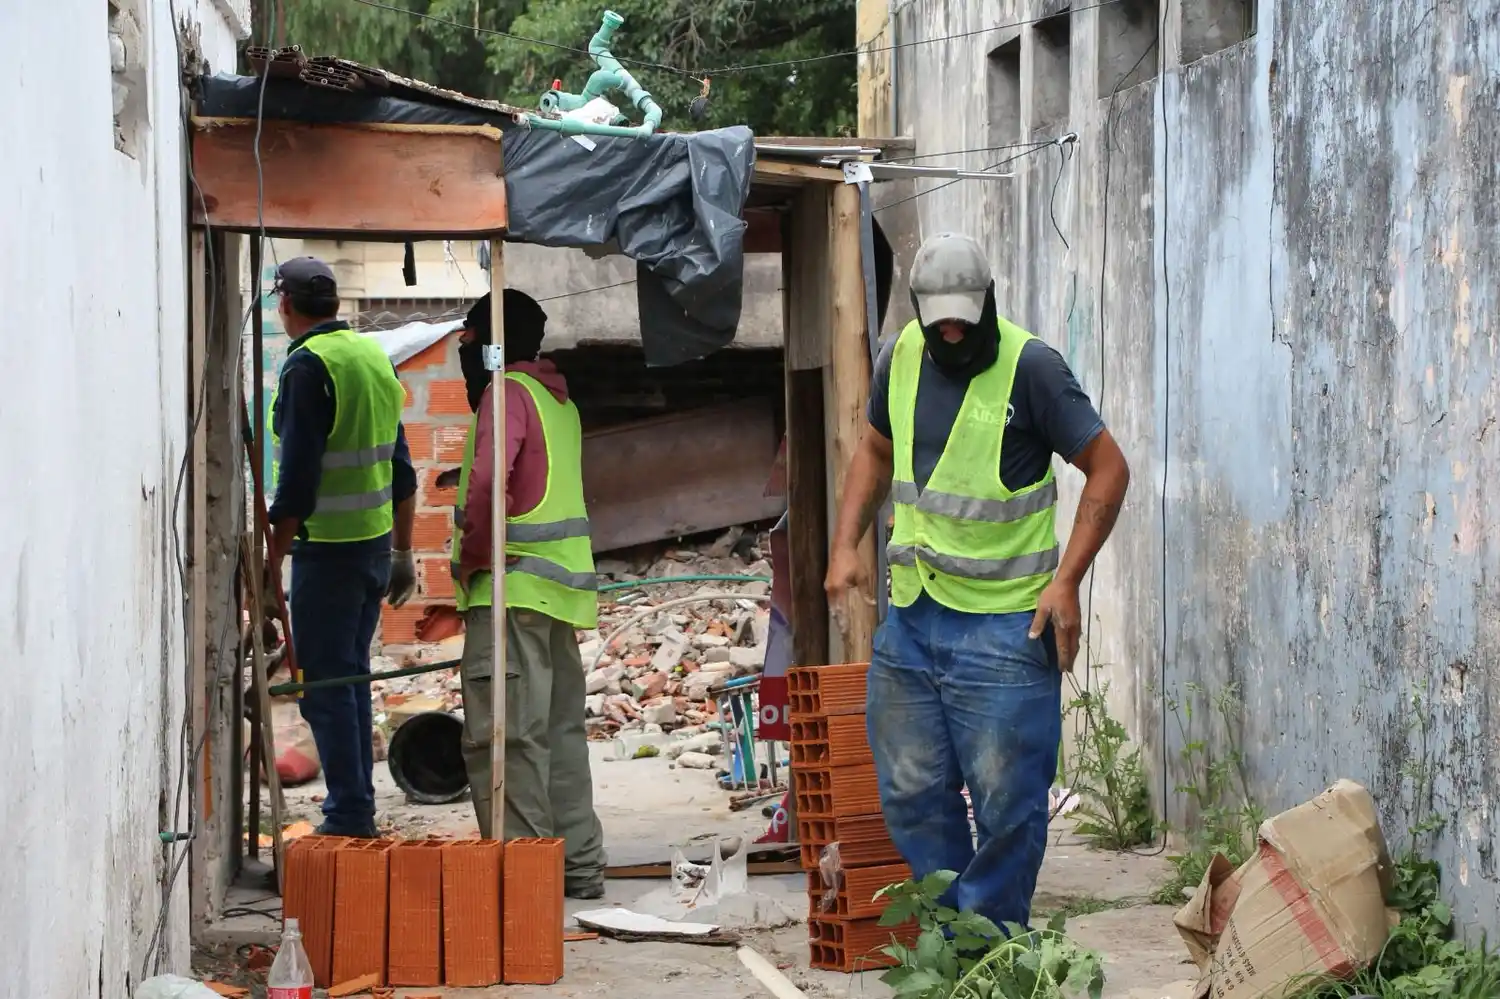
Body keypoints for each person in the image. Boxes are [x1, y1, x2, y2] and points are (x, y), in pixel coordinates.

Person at [825, 233, 1130, 928]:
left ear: (989, 304)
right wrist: (846, 543)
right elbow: (875, 447)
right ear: (920, 314)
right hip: (914, 617)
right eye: (942, 324)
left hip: (1004, 626)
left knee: (1006, 801)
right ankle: (953, 933)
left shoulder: (1033, 369)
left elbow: (1109, 467)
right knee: (909, 786)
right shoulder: (900, 355)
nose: (955, 333)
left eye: (968, 318)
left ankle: (990, 938)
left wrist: (1068, 580)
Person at [451, 289, 606, 899]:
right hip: (557, 599)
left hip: (510, 591)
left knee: (506, 740)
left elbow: (492, 480)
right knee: (560, 736)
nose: (464, 352)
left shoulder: (506, 394)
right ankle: (578, 868)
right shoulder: (557, 401)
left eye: (467, 340)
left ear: (491, 344)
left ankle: (524, 889)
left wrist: (472, 556)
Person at [267, 256, 418, 839]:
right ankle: (355, 808)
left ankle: (349, 817)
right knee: (349, 680)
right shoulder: (373, 357)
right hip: (374, 550)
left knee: (327, 689)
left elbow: (297, 483)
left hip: (327, 553)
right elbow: (401, 470)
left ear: (286, 306)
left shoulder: (308, 367)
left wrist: (270, 558)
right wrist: (404, 552)